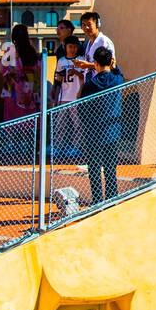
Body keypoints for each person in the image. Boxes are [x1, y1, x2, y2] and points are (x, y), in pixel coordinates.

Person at [77, 46, 126, 205]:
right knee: (111, 168)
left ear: (95, 63)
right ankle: (112, 199)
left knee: (95, 169)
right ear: (110, 61)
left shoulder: (90, 85)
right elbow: (119, 73)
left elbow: (81, 109)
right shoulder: (117, 80)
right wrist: (114, 65)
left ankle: (98, 201)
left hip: (93, 133)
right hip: (113, 131)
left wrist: (87, 125)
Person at [51, 35, 85, 159]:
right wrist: (55, 90)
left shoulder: (81, 60)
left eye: (75, 47)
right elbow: (58, 78)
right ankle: (58, 146)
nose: (73, 50)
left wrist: (76, 72)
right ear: (65, 47)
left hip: (76, 96)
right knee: (60, 123)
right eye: (70, 47)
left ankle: (76, 146)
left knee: (77, 124)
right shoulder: (61, 61)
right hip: (64, 96)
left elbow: (84, 77)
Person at [0, 23, 42, 122]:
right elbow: (38, 68)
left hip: (13, 87)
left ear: (13, 36)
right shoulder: (32, 51)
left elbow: (2, 69)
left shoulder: (10, 51)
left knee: (13, 114)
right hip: (30, 85)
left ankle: (13, 136)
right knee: (29, 114)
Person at [72, 11, 116, 76]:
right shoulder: (88, 43)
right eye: (84, 25)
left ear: (97, 25)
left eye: (89, 24)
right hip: (92, 82)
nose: (86, 28)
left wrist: (88, 65)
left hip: (102, 83)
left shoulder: (104, 41)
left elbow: (112, 65)